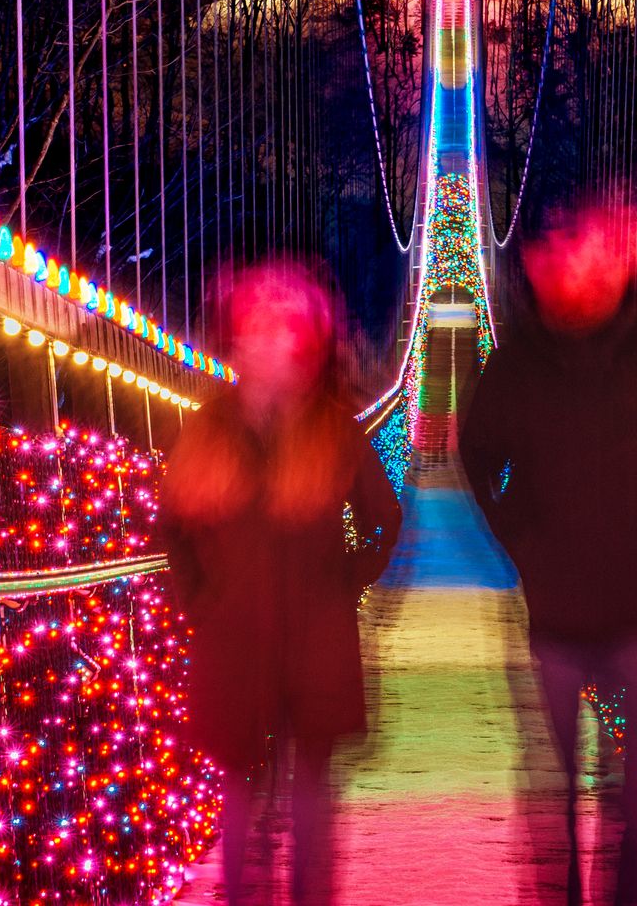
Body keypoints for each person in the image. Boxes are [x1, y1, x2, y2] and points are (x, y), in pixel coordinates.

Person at [459, 198, 637, 906]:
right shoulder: (518, 363)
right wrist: (522, 537)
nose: (582, 276)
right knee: (556, 789)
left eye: (599, 263)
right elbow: (475, 454)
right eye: (566, 264)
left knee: (634, 785)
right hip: (557, 612)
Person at [160, 260, 402, 905]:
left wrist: (346, 583)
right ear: (237, 344)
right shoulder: (204, 427)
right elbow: (173, 528)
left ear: (303, 345)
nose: (267, 345)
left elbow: (385, 519)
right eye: (254, 333)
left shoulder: (332, 427)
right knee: (241, 793)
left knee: (311, 798)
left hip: (315, 640)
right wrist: (200, 603)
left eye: (282, 333)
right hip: (235, 640)